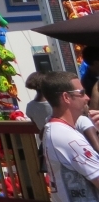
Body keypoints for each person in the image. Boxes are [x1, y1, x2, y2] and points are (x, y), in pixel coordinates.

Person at [41, 71, 99, 202]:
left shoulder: (54, 128)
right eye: (82, 93)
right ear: (66, 97)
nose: (87, 98)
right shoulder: (68, 138)